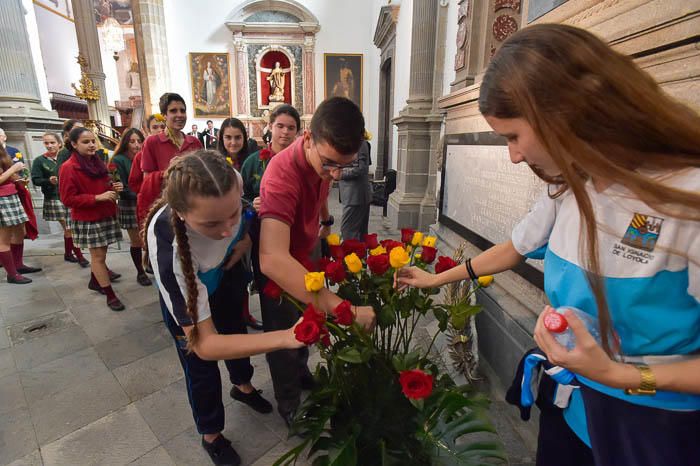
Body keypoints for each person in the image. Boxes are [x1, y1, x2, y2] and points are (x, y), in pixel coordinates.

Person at [397, 24, 700, 466]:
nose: (514, 156)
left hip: (651, 428)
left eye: (514, 136)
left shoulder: (687, 198)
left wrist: (621, 375)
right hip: (572, 408)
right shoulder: (571, 185)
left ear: (566, 113)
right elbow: (515, 247)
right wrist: (436, 278)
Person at [144, 151, 303, 466]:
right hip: (190, 291)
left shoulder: (231, 185)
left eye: (231, 214)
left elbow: (243, 218)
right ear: (181, 213)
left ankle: (242, 386)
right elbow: (206, 344)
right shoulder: (170, 247)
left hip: (224, 277)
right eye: (211, 223)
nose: (226, 229)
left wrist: (243, 241)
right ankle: (211, 433)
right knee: (200, 369)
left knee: (235, 331)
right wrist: (285, 337)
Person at [257, 97, 376, 426]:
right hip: (282, 263)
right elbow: (271, 258)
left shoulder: (323, 161)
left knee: (309, 321)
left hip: (307, 248)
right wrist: (346, 310)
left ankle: (302, 372)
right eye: (329, 164)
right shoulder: (280, 176)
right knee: (284, 333)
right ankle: (288, 402)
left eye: (344, 165)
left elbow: (323, 192)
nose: (335, 174)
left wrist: (324, 223)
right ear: (307, 137)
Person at [59, 127, 126, 311]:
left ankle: (95, 282)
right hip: (88, 217)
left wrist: (114, 186)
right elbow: (67, 199)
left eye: (92, 141)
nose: (91, 145)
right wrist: (97, 197)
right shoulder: (68, 167)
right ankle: (110, 295)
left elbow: (104, 184)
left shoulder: (98, 162)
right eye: (85, 142)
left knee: (101, 256)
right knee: (97, 257)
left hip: (105, 213)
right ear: (73, 144)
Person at [216, 118, 263, 330]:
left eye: (237, 137)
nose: (233, 142)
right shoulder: (215, 160)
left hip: (246, 225)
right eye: (228, 137)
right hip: (222, 227)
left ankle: (245, 313)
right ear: (221, 138)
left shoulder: (252, 161)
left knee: (243, 270)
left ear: (244, 139)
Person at [138, 93, 202, 224]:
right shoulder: (152, 142)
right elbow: (146, 180)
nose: (179, 115)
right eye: (173, 111)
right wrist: (166, 173)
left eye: (182, 110)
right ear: (164, 115)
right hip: (164, 207)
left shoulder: (194, 142)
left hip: (191, 206)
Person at [31, 132, 89, 267]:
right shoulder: (40, 160)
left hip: (68, 195)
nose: (49, 145)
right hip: (54, 197)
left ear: (59, 143)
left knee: (69, 228)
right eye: (46, 143)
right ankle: (79, 256)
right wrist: (48, 180)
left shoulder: (66, 156)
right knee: (69, 228)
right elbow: (35, 179)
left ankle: (68, 253)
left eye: (52, 142)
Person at [111, 128, 151, 286]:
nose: (136, 145)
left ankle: (149, 265)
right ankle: (140, 272)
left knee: (148, 239)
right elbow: (122, 187)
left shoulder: (146, 156)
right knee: (137, 241)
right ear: (125, 143)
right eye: (132, 141)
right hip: (130, 204)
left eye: (140, 141)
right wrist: (143, 194)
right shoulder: (118, 160)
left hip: (147, 202)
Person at [0, 145, 37, 284]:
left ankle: (18, 265)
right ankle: (11, 274)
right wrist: (13, 169)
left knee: (19, 232)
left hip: (11, 196)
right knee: (3, 239)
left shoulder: (2, 152)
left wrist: (16, 179)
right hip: (1, 199)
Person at [332, 133, 372, 240]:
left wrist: (341, 174)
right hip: (352, 196)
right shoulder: (349, 141)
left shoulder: (359, 142)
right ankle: (358, 255)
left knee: (348, 232)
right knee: (357, 234)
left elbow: (361, 168)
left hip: (356, 196)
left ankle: (352, 255)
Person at [130, 113, 166, 205]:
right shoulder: (140, 156)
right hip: (152, 200)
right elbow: (134, 184)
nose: (160, 130)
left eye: (163, 126)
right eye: (155, 127)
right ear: (148, 130)